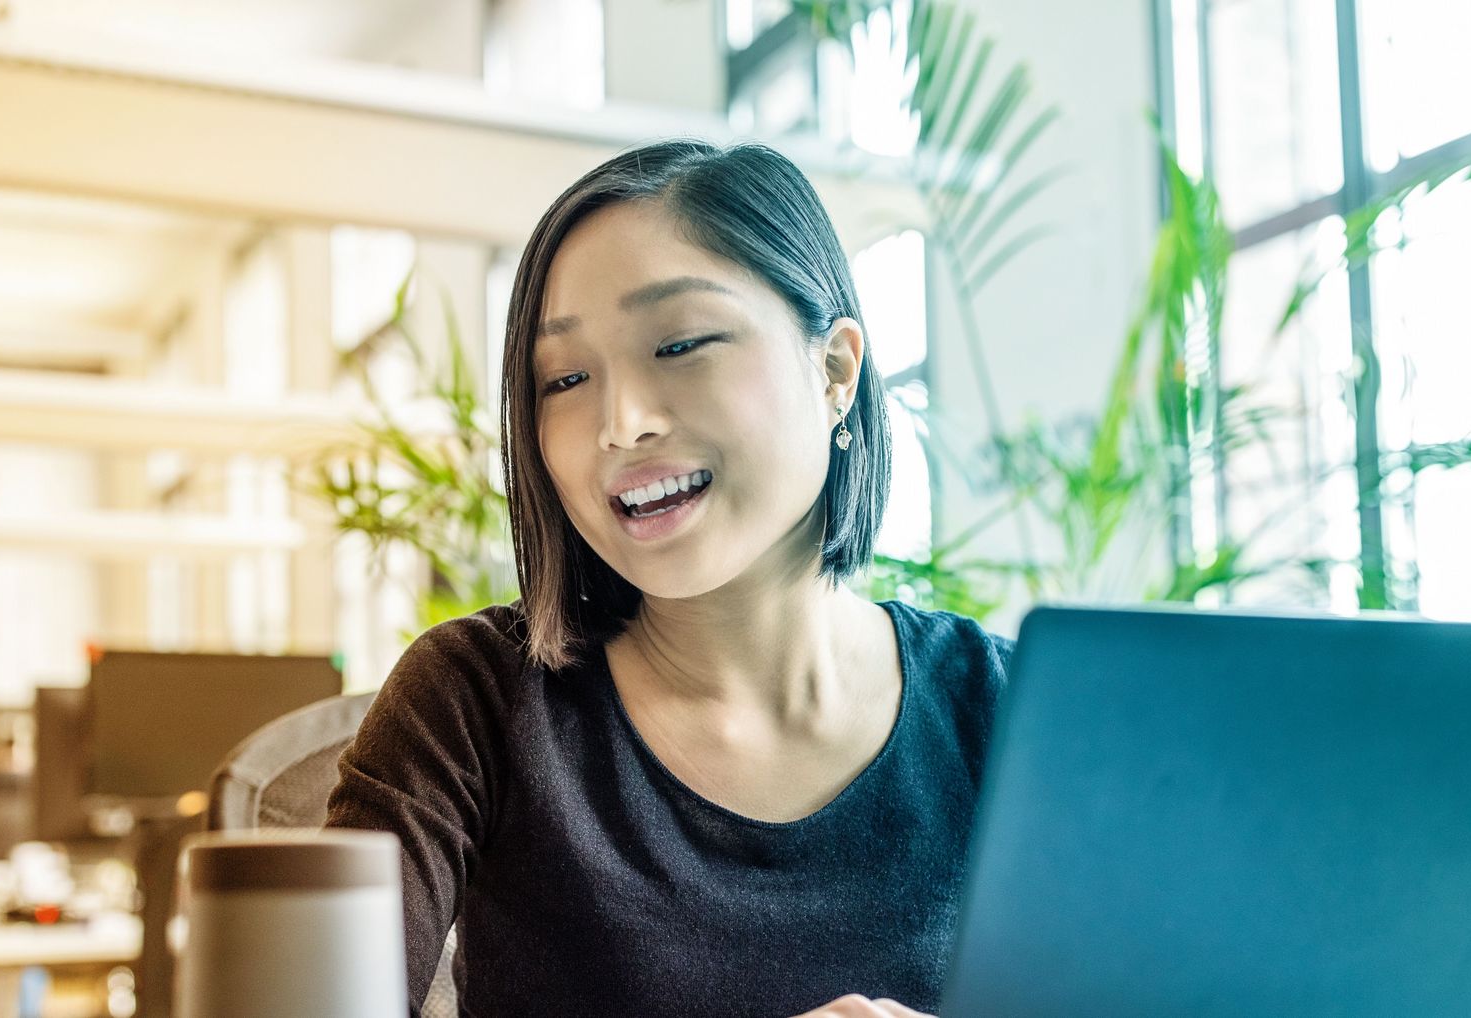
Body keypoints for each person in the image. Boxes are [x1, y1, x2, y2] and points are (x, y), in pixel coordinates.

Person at [326, 138, 1015, 1018]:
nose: (620, 424)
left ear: (835, 370)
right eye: (565, 378)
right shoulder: (473, 704)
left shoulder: (1004, 713)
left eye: (681, 344)